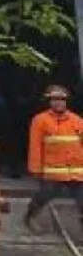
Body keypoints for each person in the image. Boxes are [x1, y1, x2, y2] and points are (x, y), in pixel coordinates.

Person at [24, 83, 83, 233]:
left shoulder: (77, 120)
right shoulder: (40, 120)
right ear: (49, 101)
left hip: (77, 171)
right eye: (54, 99)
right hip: (53, 171)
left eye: (61, 99)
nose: (58, 102)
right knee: (43, 196)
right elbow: (35, 145)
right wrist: (35, 169)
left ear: (66, 101)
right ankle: (31, 217)